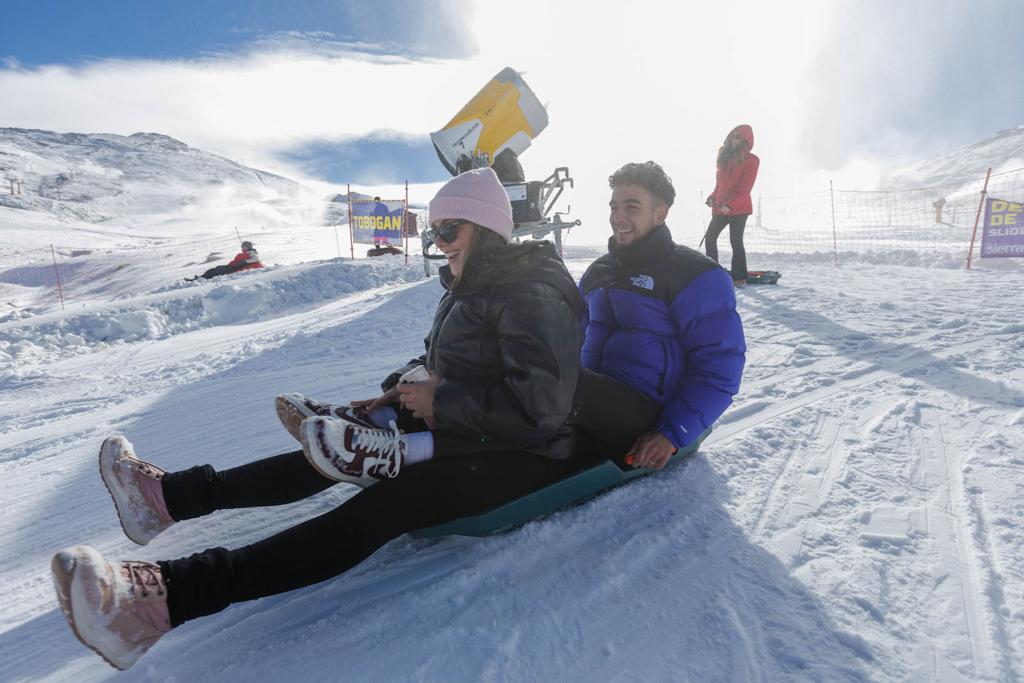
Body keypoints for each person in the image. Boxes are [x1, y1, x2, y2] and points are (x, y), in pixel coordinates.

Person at [50, 167, 587, 671]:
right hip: (470, 429)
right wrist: (400, 390)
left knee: (390, 500)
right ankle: (166, 501)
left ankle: (162, 601)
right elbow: (447, 363)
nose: (438, 242)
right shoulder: (471, 285)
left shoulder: (530, 294)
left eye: (449, 229)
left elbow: (539, 411)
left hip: (521, 454)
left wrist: (439, 403)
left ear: (487, 230)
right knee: (331, 451)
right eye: (435, 230)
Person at [575, 161, 746, 470]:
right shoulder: (600, 270)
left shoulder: (695, 275)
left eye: (631, 207)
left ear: (660, 212)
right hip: (590, 399)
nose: (619, 217)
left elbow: (720, 367)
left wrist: (671, 432)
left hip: (650, 413)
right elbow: (567, 331)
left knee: (555, 386)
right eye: (614, 207)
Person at [704, 125, 759, 286]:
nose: (734, 140)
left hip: (739, 208)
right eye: (733, 136)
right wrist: (712, 198)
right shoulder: (724, 157)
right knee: (710, 237)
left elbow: (745, 188)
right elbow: (719, 185)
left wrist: (730, 204)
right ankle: (711, 272)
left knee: (735, 241)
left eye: (738, 138)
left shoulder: (751, 160)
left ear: (745, 141)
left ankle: (739, 278)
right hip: (721, 207)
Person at [188, 240, 263, 281]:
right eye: (242, 246)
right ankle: (201, 277)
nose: (242, 248)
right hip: (234, 266)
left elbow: (255, 259)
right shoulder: (247, 252)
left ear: (247, 247)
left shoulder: (252, 252)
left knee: (217, 270)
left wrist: (243, 262)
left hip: (235, 267)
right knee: (217, 269)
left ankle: (201, 278)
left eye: (243, 246)